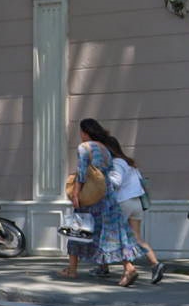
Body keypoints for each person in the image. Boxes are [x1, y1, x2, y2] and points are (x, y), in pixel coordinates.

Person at [68, 118, 144, 286]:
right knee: (114, 233)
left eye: (81, 132)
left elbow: (81, 173)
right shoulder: (104, 149)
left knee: (79, 228)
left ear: (85, 132)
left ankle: (72, 269)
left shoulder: (84, 147)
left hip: (92, 198)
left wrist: (76, 194)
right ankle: (128, 267)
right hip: (108, 196)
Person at [108, 141, 166, 284]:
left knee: (118, 238)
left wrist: (103, 180)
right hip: (137, 202)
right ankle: (155, 263)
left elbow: (115, 182)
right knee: (136, 237)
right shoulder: (130, 164)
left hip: (123, 201)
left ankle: (128, 269)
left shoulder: (116, 163)